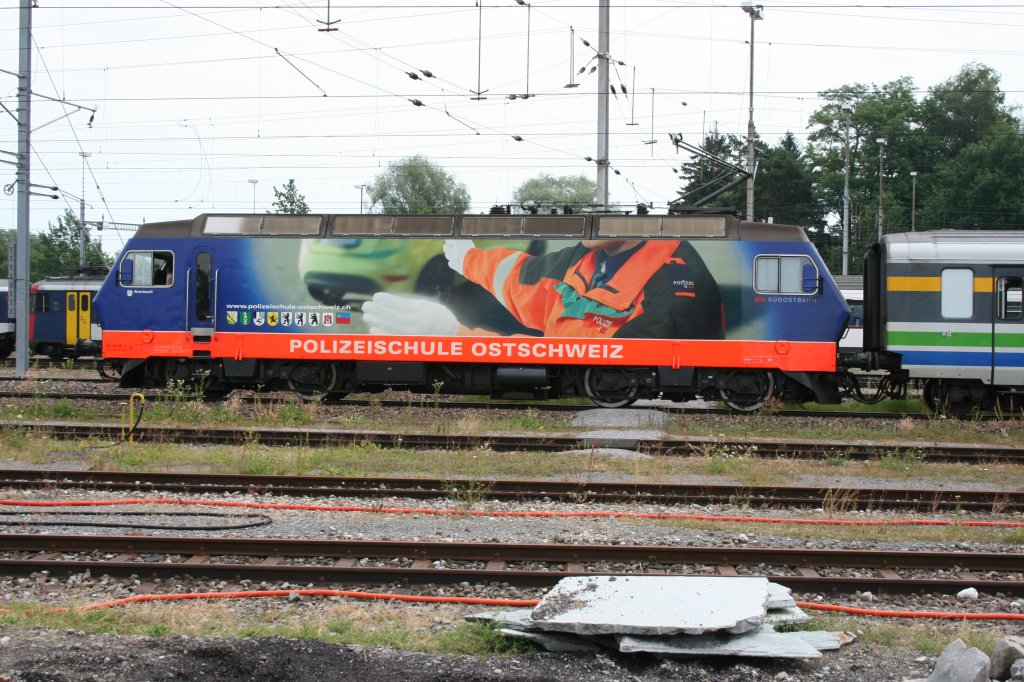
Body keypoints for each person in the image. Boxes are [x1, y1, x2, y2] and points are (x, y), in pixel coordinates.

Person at [362, 238, 723, 339]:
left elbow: (584, 358)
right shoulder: (586, 255)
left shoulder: (675, 289)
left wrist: (453, 334)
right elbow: (523, 278)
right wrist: (468, 259)